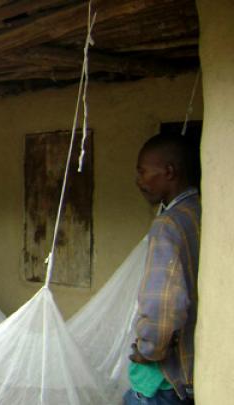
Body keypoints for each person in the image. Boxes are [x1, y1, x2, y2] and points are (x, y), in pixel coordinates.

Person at [125, 134, 200, 405]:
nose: (139, 181)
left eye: (143, 171)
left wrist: (147, 350)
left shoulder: (168, 224)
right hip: (195, 369)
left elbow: (163, 305)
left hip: (168, 378)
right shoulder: (202, 212)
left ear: (169, 172)